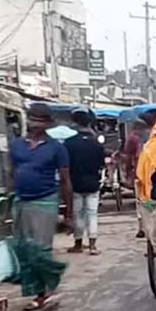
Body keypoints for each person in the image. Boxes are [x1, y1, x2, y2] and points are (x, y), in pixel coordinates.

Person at [8, 103, 71, 310]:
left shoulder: (56, 148)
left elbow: (65, 180)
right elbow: (12, 172)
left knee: (40, 251)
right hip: (21, 200)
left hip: (45, 200)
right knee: (23, 250)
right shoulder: (17, 145)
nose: (33, 125)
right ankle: (39, 292)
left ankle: (52, 281)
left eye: (38, 121)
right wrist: (10, 200)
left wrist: (68, 213)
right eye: (31, 120)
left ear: (46, 125)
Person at [65, 108, 106, 255]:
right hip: (93, 183)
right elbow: (101, 164)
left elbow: (66, 165)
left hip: (75, 183)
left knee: (78, 214)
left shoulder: (69, 143)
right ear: (89, 123)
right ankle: (93, 245)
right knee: (92, 214)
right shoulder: (96, 143)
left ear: (75, 123)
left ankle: (78, 244)